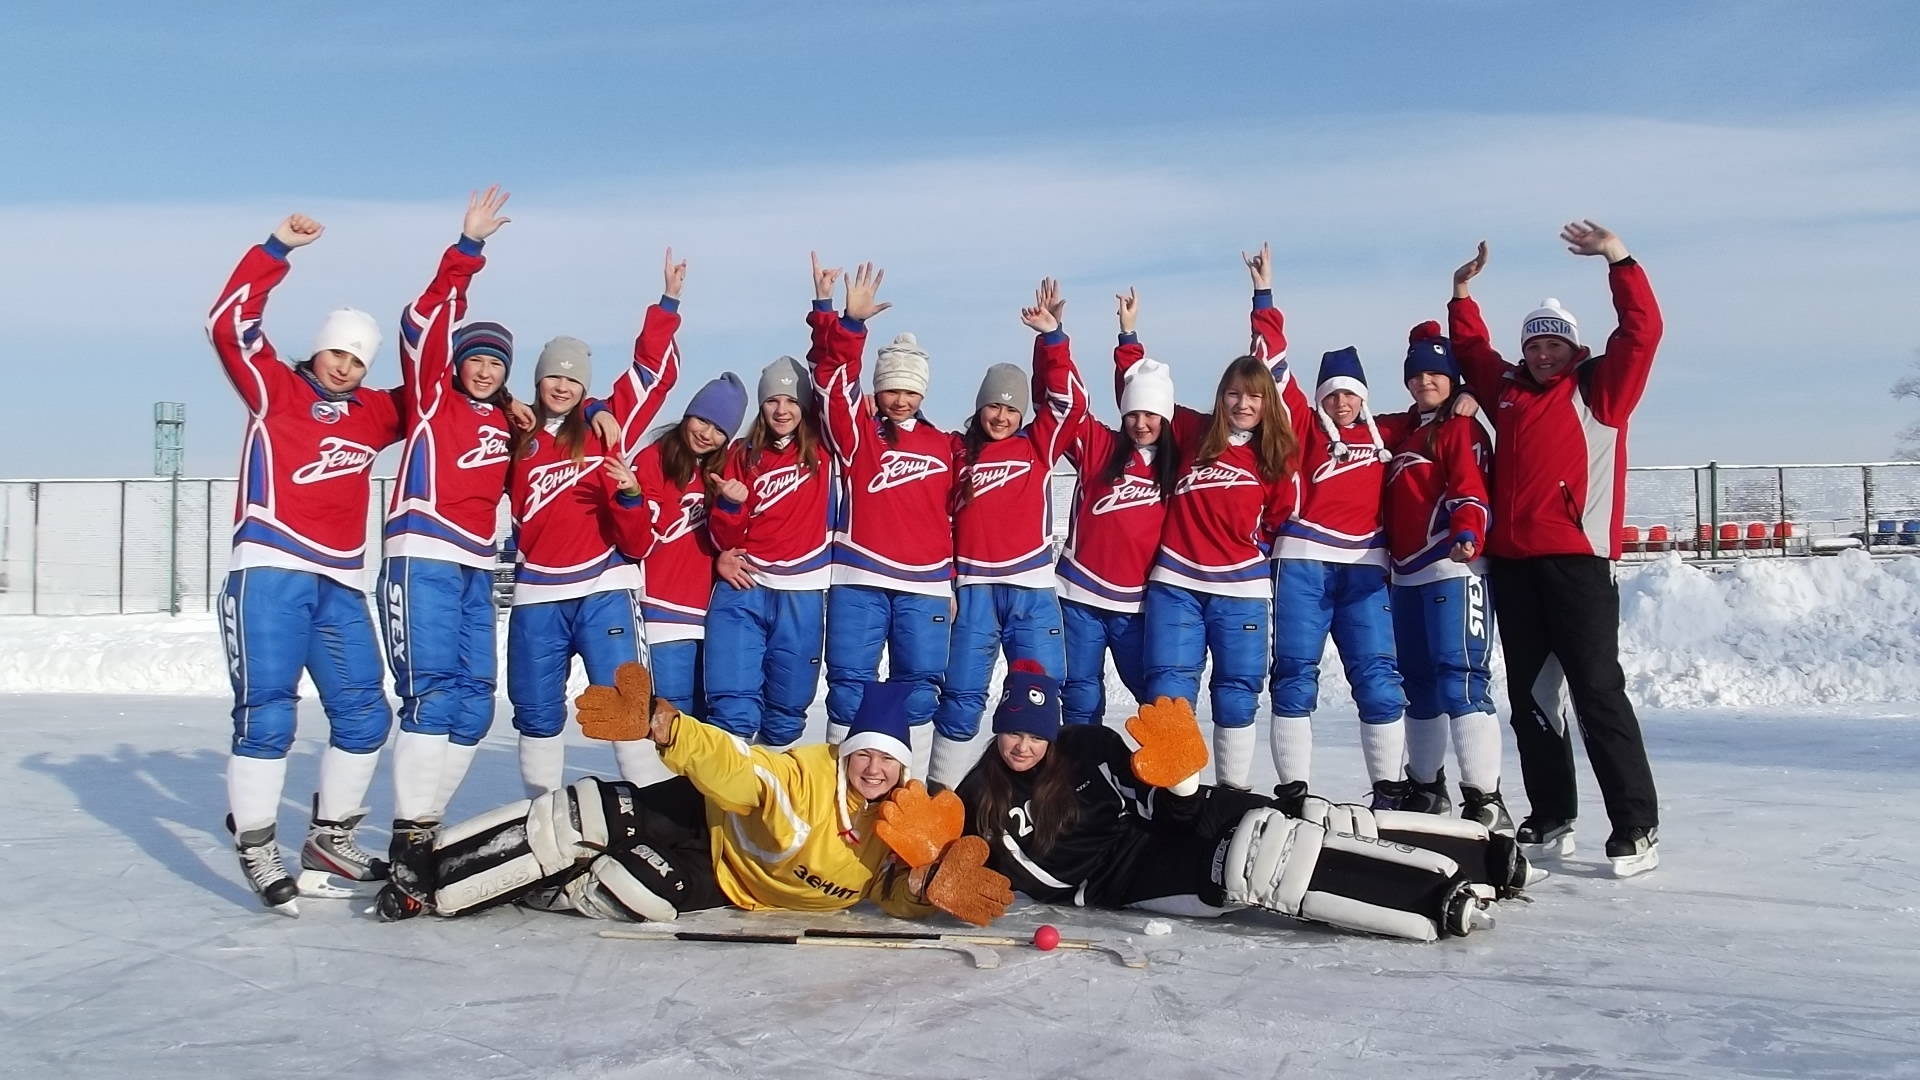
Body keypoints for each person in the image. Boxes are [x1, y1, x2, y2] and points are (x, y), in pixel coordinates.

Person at [378, 667, 1012, 928]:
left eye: (887, 761)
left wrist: (928, 888)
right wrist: (665, 726)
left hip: (726, 879)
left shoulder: (904, 825)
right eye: (864, 754)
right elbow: (739, 770)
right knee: (578, 819)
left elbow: (885, 895)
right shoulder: (804, 777)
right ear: (846, 753)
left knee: (634, 893)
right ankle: (430, 873)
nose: (873, 769)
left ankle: (545, 885)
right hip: (704, 814)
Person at [951, 665, 1526, 941]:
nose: (1023, 746)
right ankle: (1429, 898)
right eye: (1012, 732)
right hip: (1120, 874)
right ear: (997, 730)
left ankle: (1483, 861)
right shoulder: (978, 797)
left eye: (1035, 733)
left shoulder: (1088, 746)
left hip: (1160, 824)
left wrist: (1178, 783)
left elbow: (1166, 810)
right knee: (1258, 858)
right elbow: (1004, 874)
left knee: (1311, 818)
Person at [1448, 220, 1663, 877]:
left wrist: (1617, 259)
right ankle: (1553, 815)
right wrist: (1460, 295)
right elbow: (1475, 353)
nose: (1543, 354)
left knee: (1597, 691)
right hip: (1514, 565)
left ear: (1573, 349)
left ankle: (1636, 826)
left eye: (1554, 344)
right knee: (1534, 699)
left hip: (1577, 563)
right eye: (1535, 344)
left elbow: (1643, 331)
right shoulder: (1508, 394)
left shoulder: (1600, 390)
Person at [208, 211, 405, 913]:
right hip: (269, 572)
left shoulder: (373, 414)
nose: (345, 367)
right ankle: (258, 843)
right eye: (337, 354)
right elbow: (228, 324)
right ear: (318, 350)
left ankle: (330, 838)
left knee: (363, 715)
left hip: (340, 582)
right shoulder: (276, 389)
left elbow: (443, 394)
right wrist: (276, 250)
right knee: (267, 714)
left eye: (358, 360)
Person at [377, 187, 535, 896]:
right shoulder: (431, 397)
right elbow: (422, 323)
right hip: (423, 556)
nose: (484, 370)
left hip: (476, 566)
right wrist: (465, 251)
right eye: (476, 359)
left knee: (476, 700)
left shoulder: (508, 424)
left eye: (496, 363)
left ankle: (426, 829)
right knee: (432, 698)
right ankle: (408, 834)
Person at [502, 250, 684, 798]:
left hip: (604, 587)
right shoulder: (517, 431)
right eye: (553, 376)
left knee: (626, 704)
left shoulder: (606, 423)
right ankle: (542, 815)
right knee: (535, 709)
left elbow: (652, 373)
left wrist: (668, 304)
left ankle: (658, 810)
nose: (562, 386)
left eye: (573, 379)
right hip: (538, 593)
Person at [1142, 245, 1299, 789]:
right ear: (1221, 396)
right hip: (1177, 583)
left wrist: (1264, 297)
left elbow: (1279, 517)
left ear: (1265, 403)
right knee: (1169, 688)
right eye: (1233, 393)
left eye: (1253, 396)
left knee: (1235, 691)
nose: (1242, 404)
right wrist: (1128, 338)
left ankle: (1230, 795)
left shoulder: (1273, 456)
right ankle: (1176, 796)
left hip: (1241, 589)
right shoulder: (1191, 434)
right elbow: (1144, 394)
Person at [926, 279, 1088, 787]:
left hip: (1030, 592)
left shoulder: (1038, 445)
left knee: (1038, 695)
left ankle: (1041, 800)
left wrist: (1053, 339)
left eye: (1011, 409)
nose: (1001, 416)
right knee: (962, 694)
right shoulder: (957, 450)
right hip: (973, 591)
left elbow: (1070, 405)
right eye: (993, 406)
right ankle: (942, 797)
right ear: (979, 408)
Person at [810, 259, 955, 774]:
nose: (900, 399)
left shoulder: (944, 445)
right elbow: (834, 383)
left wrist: (952, 582)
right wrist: (849, 325)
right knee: (849, 683)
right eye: (892, 388)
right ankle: (833, 781)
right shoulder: (859, 436)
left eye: (910, 390)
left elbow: (956, 516)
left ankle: (899, 782)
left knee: (919, 688)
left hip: (926, 585)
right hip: (859, 578)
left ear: (923, 391)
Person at [1266, 334, 1410, 808]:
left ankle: (1390, 789)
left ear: (1364, 397)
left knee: (1378, 677)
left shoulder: (1386, 433)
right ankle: (1294, 792)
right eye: (1332, 393)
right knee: (1294, 673)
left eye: (1350, 393)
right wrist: (1264, 299)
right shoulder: (1306, 427)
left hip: (1365, 567)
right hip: (1304, 561)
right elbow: (1277, 373)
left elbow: (1437, 405)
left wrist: (1467, 394)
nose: (1342, 402)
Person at [1381, 323, 1506, 830]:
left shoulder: (1461, 428)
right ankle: (1427, 789)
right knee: (1419, 684)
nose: (1426, 382)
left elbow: (1470, 488)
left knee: (1462, 680)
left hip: (1455, 565)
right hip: (1406, 573)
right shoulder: (1405, 428)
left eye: (1436, 373)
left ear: (1451, 378)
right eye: (1418, 374)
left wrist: (1469, 531)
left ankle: (1485, 799)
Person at [1053, 288, 1178, 727]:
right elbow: (1067, 403)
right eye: (1132, 415)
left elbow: (1142, 384)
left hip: (1140, 603)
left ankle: (1164, 783)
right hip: (1080, 594)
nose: (1140, 424)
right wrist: (1054, 340)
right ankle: (1079, 781)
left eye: (1150, 416)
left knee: (1153, 698)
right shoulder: (1100, 447)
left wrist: (1130, 337)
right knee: (1081, 695)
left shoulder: (1178, 461)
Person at [704, 354, 833, 750]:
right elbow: (724, 536)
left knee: (787, 708)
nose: (782, 409)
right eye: (773, 400)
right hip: (745, 587)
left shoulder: (827, 454)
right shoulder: (741, 454)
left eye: (792, 400)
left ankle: (771, 799)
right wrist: (729, 506)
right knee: (732, 706)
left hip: (802, 591)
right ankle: (727, 803)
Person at [632, 372, 750, 714]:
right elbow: (638, 537)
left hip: (711, 615)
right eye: (702, 420)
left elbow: (727, 541)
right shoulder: (654, 459)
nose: (706, 434)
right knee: (670, 714)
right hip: (662, 610)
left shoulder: (724, 469)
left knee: (705, 717)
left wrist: (729, 505)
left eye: (718, 430)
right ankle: (660, 771)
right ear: (688, 414)